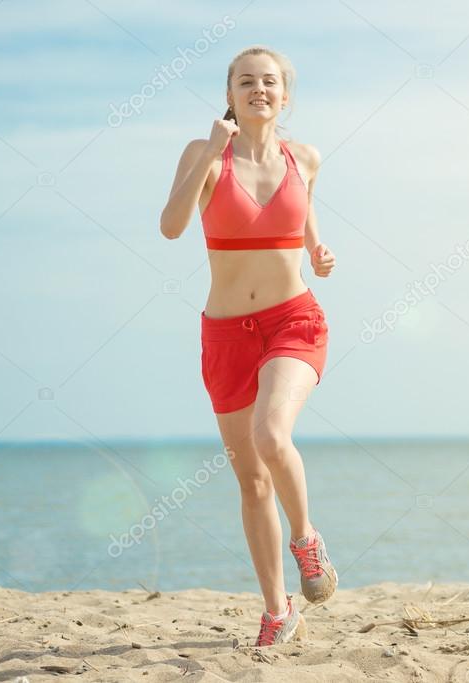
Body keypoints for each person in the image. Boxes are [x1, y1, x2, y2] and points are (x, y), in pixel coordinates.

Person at [160, 45, 338, 647]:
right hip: (226, 333)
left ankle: (307, 539)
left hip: (293, 320)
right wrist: (211, 150)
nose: (258, 89)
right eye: (245, 81)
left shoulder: (305, 157)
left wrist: (316, 249)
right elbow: (171, 225)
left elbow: (303, 210)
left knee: (271, 436)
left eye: (269, 82)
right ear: (230, 94)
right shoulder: (204, 153)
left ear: (284, 96)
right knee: (251, 480)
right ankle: (277, 608)